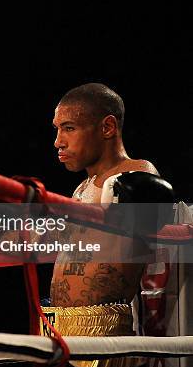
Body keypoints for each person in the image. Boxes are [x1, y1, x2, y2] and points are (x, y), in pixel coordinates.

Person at [45, 83, 164, 367]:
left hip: (105, 331)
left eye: (69, 128)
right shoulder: (79, 190)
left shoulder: (137, 172)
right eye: (57, 129)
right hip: (57, 328)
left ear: (108, 127)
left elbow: (143, 221)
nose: (58, 141)